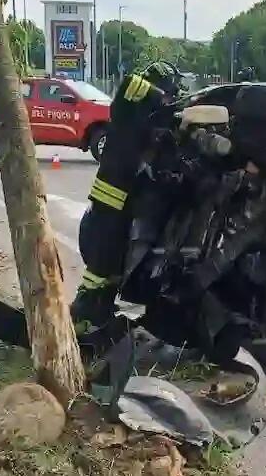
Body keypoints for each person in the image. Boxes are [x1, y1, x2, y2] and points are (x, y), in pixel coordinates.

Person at [70, 61, 185, 333]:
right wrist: (166, 99)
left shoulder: (145, 114)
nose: (172, 95)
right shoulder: (129, 99)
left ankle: (100, 310)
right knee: (103, 257)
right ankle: (82, 310)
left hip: (127, 197)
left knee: (115, 259)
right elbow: (132, 85)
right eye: (172, 89)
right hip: (112, 194)